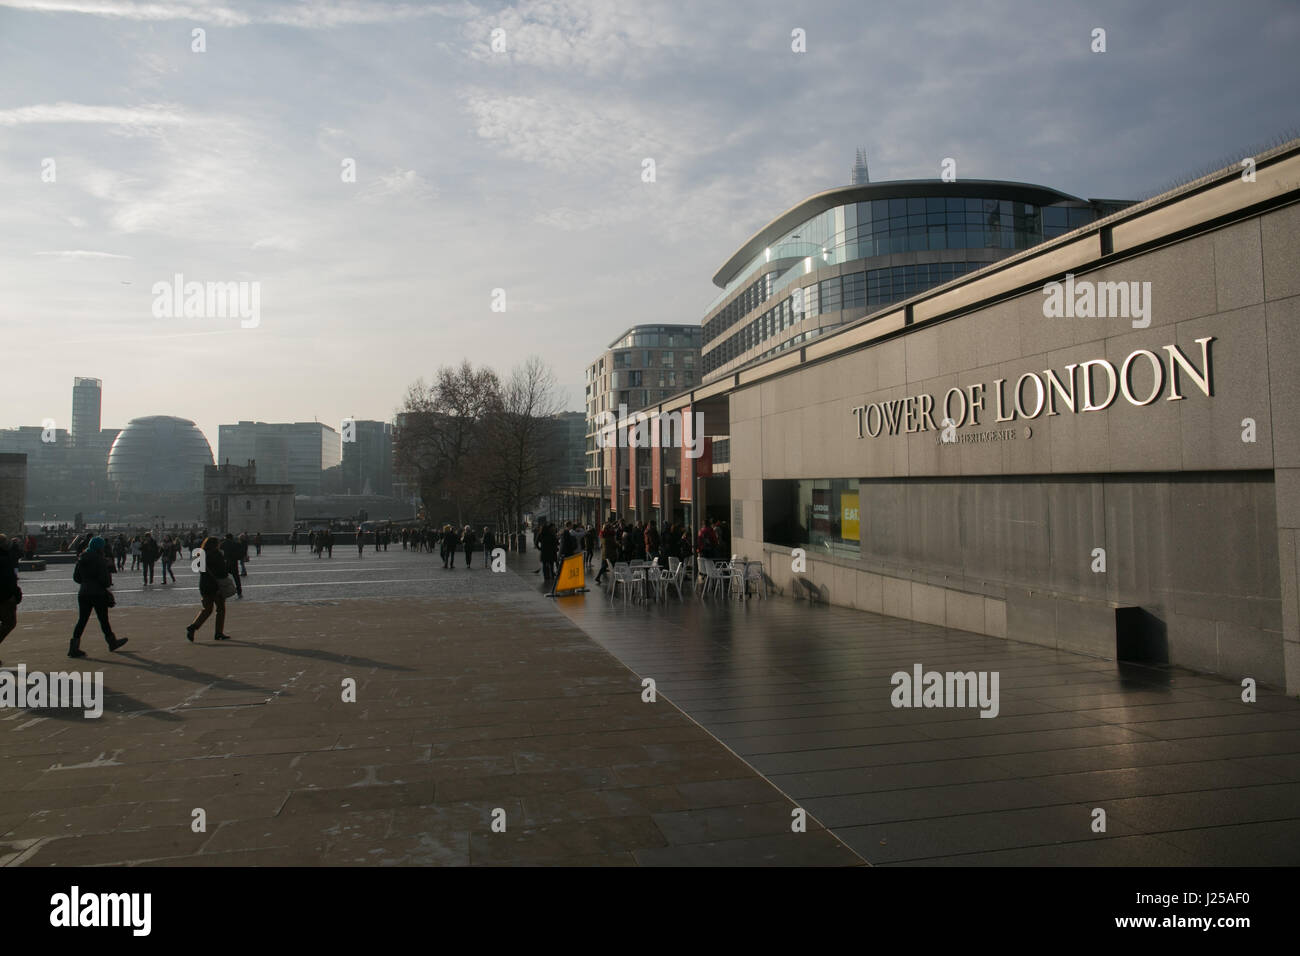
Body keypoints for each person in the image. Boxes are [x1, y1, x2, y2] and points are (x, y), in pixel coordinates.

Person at [69, 537, 127, 658]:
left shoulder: (82, 558)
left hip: (83, 593)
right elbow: (105, 581)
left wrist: (86, 582)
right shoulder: (100, 560)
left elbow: (76, 578)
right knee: (103, 619)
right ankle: (112, 642)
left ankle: (74, 647)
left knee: (82, 620)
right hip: (98, 594)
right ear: (100, 548)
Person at [187, 536, 233, 642]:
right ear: (215, 544)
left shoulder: (201, 555)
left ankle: (193, 626)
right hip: (216, 585)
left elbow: (200, 570)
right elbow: (222, 572)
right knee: (220, 609)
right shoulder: (217, 554)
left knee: (207, 609)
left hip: (204, 585)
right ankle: (218, 633)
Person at [0, 533, 19, 666]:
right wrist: (15, 593)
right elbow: (8, 579)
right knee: (9, 623)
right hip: (4, 597)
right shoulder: (4, 558)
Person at [221, 534, 244, 598]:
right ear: (232, 537)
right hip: (233, 562)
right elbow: (241, 553)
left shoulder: (222, 544)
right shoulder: (236, 544)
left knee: (223, 578)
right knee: (236, 578)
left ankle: (223, 591)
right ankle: (239, 592)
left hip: (225, 563)